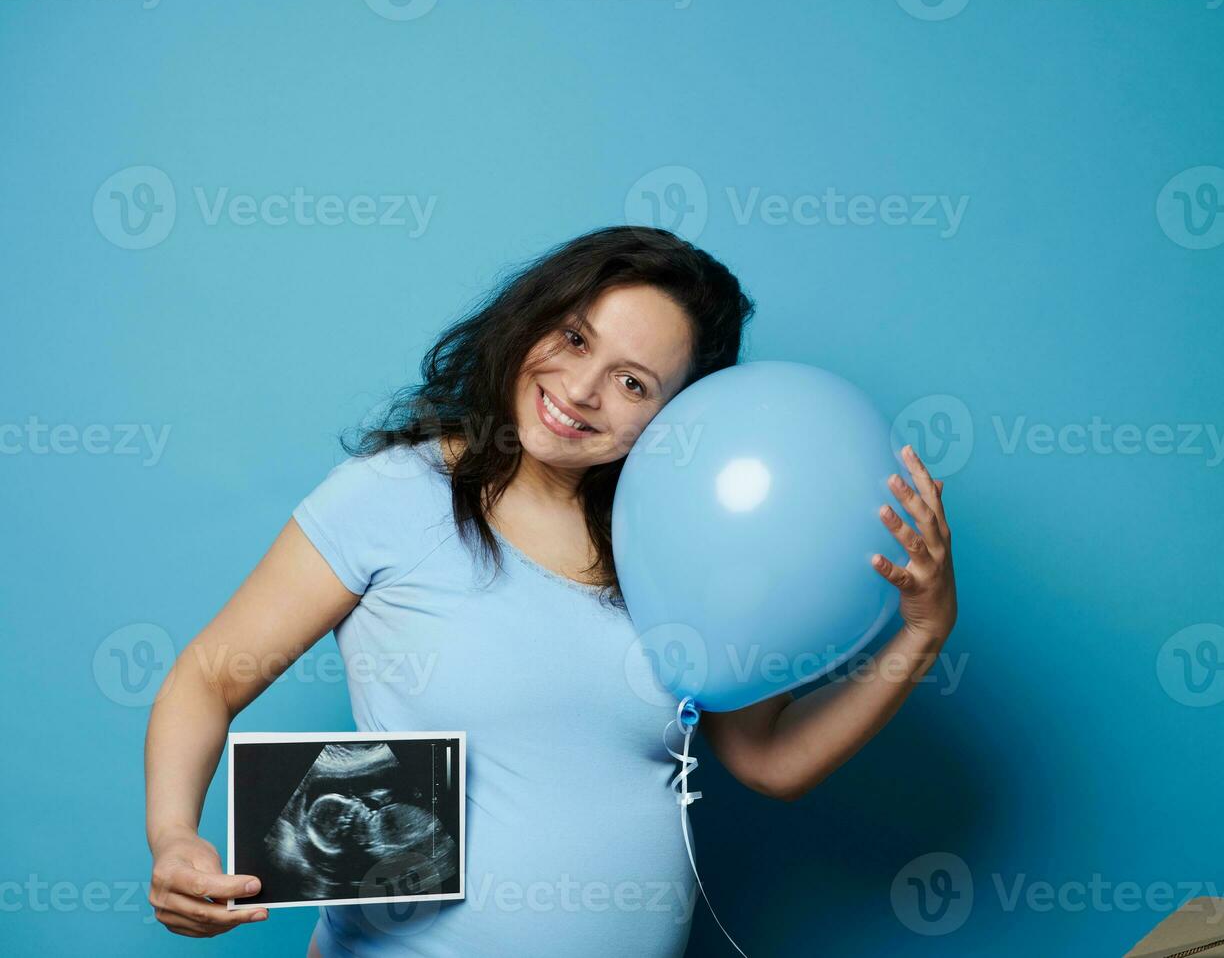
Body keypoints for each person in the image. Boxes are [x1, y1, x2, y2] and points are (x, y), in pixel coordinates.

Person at [143, 225, 959, 956]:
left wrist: (921, 632)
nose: (579, 389)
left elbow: (769, 762)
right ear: (531, 318)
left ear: (679, 419)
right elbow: (208, 677)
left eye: (634, 383)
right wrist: (174, 837)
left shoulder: (683, 547)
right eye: (573, 337)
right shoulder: (394, 494)